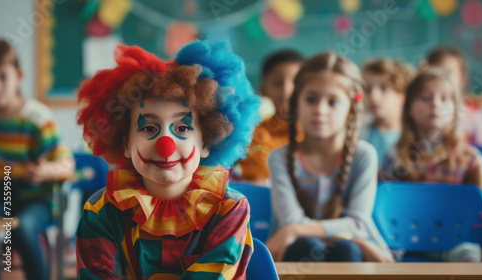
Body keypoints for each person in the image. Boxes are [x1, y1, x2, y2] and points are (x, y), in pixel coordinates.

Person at [75, 40, 261, 279]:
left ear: (206, 142)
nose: (165, 145)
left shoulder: (228, 208)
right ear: (126, 144)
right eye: (149, 128)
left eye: (183, 128)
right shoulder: (101, 211)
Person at [266, 52, 392, 262]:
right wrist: (331, 232)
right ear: (297, 102)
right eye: (311, 99)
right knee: (306, 245)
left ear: (351, 108)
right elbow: (291, 222)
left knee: (346, 249)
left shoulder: (363, 155)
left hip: (355, 250)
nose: (320, 110)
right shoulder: (278, 158)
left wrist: (298, 230)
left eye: (333, 102)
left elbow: (358, 223)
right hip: (292, 253)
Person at [380, 69, 482, 262]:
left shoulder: (470, 159)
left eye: (444, 99)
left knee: (470, 254)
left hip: (455, 241)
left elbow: (478, 212)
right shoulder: (396, 156)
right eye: (425, 97)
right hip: (403, 241)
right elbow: (383, 205)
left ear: (456, 109)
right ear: (408, 108)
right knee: (380, 255)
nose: (435, 104)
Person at [0, 38, 75, 280]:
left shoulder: (37, 118)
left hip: (37, 200)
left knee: (22, 228)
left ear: (19, 76)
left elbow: (67, 166)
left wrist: (45, 171)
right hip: (1, 195)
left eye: (2, 77)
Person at [235, 49, 303, 185]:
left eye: (296, 81)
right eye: (278, 83)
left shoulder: (317, 132)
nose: (286, 89)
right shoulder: (252, 134)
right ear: (263, 90)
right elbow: (254, 182)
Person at [423, 46, 482, 148]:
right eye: (435, 73)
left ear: (462, 79)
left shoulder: (472, 112)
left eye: (448, 72)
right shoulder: (423, 109)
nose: (441, 78)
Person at [361, 58, 415, 165]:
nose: (373, 96)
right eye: (368, 89)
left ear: (403, 95)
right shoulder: (359, 131)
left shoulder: (414, 137)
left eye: (384, 88)